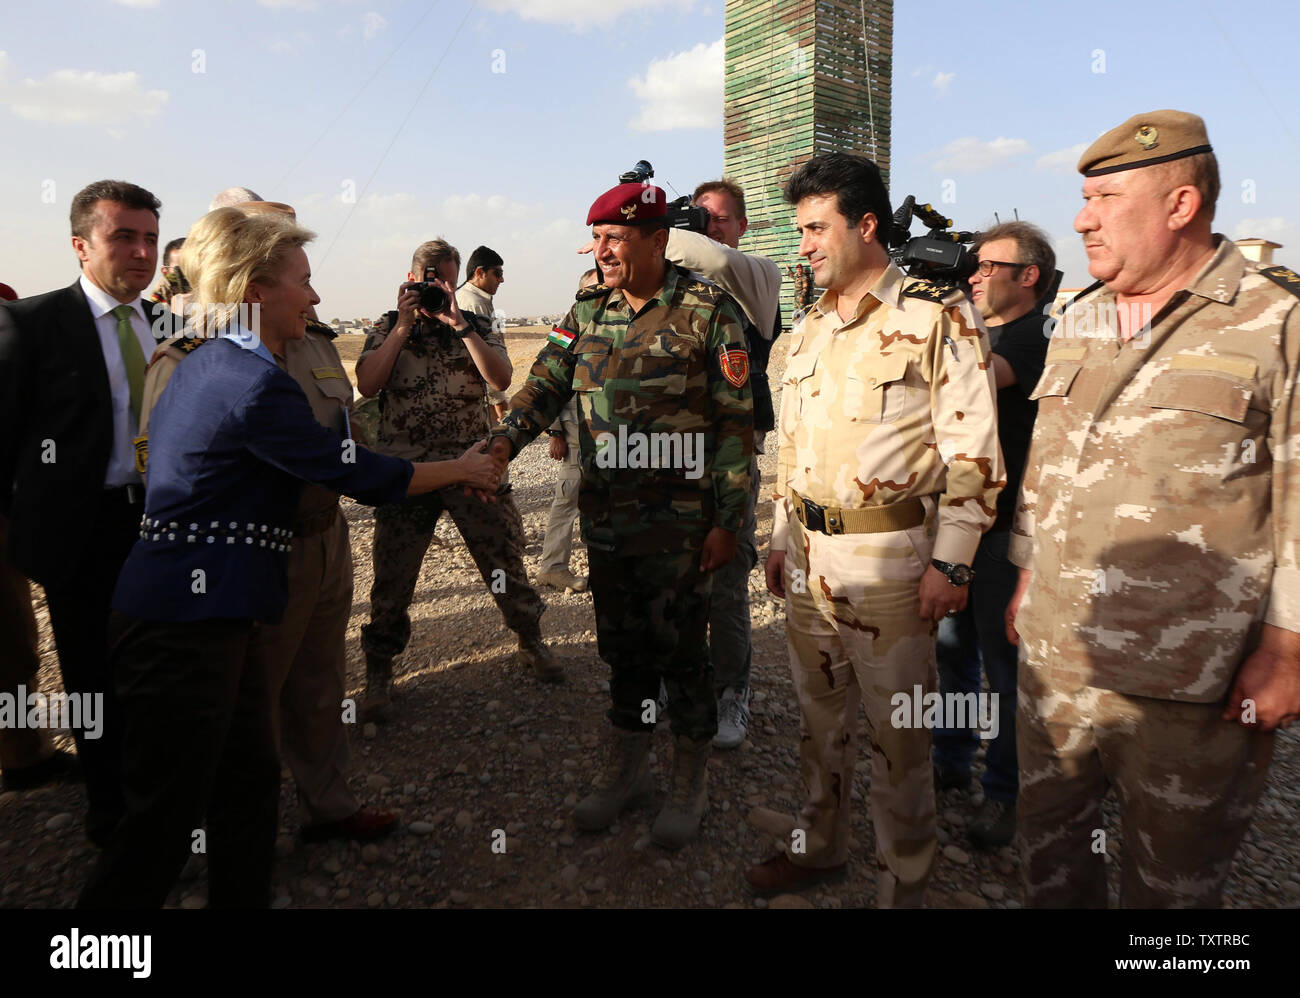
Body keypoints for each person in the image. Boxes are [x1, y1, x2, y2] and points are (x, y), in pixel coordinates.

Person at [77, 207, 498, 908]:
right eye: (302, 281)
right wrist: (459, 468)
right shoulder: (247, 380)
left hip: (227, 614)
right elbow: (353, 470)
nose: (316, 297)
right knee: (160, 824)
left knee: (247, 785)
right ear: (252, 292)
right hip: (183, 625)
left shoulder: (222, 362)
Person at [1005, 109, 1300, 908]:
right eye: (1082, 198)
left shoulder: (1276, 319)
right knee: (1048, 863)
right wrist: (1028, 576)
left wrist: (1287, 647)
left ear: (1180, 204)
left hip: (1188, 680)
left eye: (1103, 197)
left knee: (1171, 891)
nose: (1080, 217)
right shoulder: (1081, 315)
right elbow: (1049, 464)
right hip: (1059, 662)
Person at [746, 152, 1002, 907]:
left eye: (816, 227)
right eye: (799, 230)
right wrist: (781, 537)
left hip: (895, 566)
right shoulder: (813, 326)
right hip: (813, 561)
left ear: (865, 225)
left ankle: (904, 884)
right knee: (819, 726)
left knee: (901, 743)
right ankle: (820, 845)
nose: (804, 245)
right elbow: (792, 447)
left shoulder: (936, 315)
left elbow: (974, 457)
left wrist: (951, 566)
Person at [489, 181, 753, 850]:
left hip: (682, 526)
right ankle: (629, 769)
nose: (602, 250)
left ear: (658, 241)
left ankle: (688, 779)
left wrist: (728, 522)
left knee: (683, 654)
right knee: (625, 650)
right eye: (597, 238)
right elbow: (545, 383)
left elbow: (734, 423)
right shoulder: (587, 311)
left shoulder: (708, 310)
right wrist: (499, 446)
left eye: (616, 238)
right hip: (608, 521)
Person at [137, 199, 399, 845]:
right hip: (254, 554)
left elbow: (344, 430)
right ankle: (211, 840)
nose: (313, 294)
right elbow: (159, 469)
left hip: (326, 538)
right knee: (244, 705)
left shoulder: (314, 343)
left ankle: (328, 808)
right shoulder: (189, 357)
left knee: (319, 685)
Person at [0, 180, 171, 846]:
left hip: (157, 526)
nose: (141, 252)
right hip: (82, 535)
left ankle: (163, 799)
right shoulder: (33, 324)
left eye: (151, 238)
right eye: (123, 236)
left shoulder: (169, 327)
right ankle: (111, 816)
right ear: (80, 245)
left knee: (158, 671)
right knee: (93, 680)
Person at [356, 239, 559, 718]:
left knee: (503, 559)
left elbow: (502, 379)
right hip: (409, 471)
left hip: (472, 466)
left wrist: (462, 325)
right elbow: (367, 384)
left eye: (445, 281)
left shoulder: (479, 325)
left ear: (455, 281)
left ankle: (530, 639)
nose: (436, 290)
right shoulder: (387, 325)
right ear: (410, 280)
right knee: (393, 575)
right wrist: (404, 326)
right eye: (428, 281)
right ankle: (380, 667)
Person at [931, 221, 1054, 849]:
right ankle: (951, 759)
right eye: (971, 266)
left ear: (1027, 276)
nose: (973, 275)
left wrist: (946, 302)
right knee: (953, 653)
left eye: (986, 267)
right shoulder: (983, 323)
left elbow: (973, 379)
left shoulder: (1039, 334)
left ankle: (1006, 796)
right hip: (962, 521)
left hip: (1008, 532)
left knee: (1004, 670)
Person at [664, 178, 782, 750]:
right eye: (698, 216)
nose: (707, 226)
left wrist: (647, 226)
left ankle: (733, 690)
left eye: (718, 218)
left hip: (730, 460)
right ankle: (679, 681)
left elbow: (708, 255)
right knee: (674, 580)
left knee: (728, 582)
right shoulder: (672, 283)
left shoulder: (756, 275)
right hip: (671, 458)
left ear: (741, 226)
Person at [535, 268, 597, 593]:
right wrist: (554, 431)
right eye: (590, 290)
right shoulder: (565, 330)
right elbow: (547, 380)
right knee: (566, 501)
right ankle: (552, 567)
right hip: (574, 435)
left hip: (610, 438)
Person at [455, 245, 510, 423]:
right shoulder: (473, 302)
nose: (501, 280)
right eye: (497, 273)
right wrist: (499, 399)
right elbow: (484, 355)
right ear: (479, 272)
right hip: (480, 394)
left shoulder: (479, 299)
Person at [148, 237, 188, 306]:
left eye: (191, 267)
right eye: (180, 269)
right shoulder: (159, 297)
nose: (187, 273)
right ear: (165, 271)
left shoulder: (207, 292)